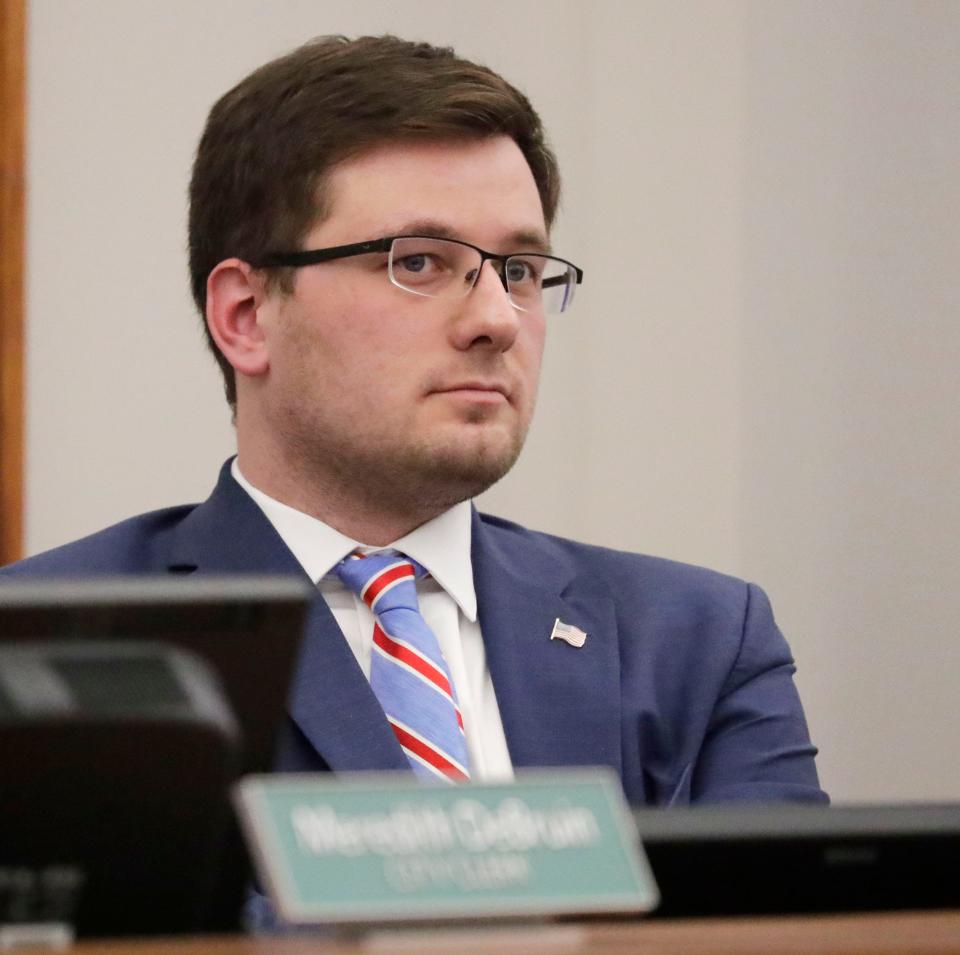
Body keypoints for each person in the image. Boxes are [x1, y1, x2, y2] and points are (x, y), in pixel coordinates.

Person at [0, 35, 826, 805]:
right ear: (247, 315)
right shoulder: (48, 644)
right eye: (420, 262)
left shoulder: (698, 641)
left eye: (522, 269)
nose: (498, 319)